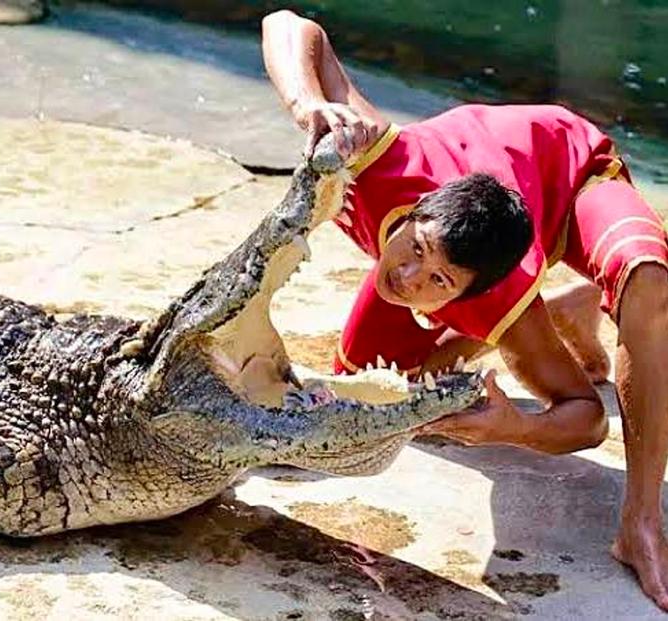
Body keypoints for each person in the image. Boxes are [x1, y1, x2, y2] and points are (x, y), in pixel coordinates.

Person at [261, 9, 668, 611]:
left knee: (649, 279)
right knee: (372, 388)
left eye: (436, 281)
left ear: (470, 295)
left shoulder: (499, 300)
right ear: (421, 209)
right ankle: (570, 310)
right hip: (497, 188)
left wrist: (518, 430)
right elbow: (288, 23)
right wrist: (307, 105)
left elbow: (586, 418)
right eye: (414, 250)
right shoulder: (380, 162)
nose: (404, 277)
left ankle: (640, 521)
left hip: (573, 168)